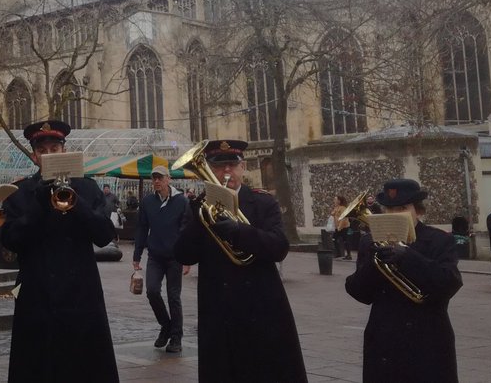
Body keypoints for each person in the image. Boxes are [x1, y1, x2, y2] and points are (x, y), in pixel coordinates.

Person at [173, 139, 307, 382]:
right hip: (218, 305)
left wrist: (239, 231)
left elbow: (279, 247)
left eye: (232, 165)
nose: (226, 172)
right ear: (209, 170)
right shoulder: (200, 207)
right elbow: (183, 254)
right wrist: (198, 220)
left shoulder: (263, 202)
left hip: (260, 303)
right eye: (218, 166)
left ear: (243, 167)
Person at [0, 120, 118, 382]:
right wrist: (39, 206)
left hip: (81, 294)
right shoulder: (20, 192)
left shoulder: (87, 187)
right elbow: (10, 240)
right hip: (38, 295)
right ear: (34, 157)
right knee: (38, 365)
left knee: (85, 367)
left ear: (64, 150)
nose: (50, 155)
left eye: (55, 149)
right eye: (43, 151)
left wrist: (77, 202)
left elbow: (104, 235)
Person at [345, 178, 463, 383]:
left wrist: (408, 257)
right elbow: (360, 293)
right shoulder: (369, 241)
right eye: (389, 209)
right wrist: (373, 263)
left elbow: (449, 283)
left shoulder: (439, 240)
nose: (394, 214)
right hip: (383, 341)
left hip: (427, 340)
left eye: (402, 208)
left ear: (418, 210)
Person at [133, 165, 190, 353]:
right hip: (155, 255)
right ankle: (166, 325)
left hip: (175, 257)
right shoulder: (148, 202)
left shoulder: (182, 201)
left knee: (174, 296)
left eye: (160, 178)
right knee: (152, 291)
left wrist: (187, 258)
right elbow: (142, 228)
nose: (156, 181)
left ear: (168, 179)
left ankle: (176, 337)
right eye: (154, 178)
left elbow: (186, 231)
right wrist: (137, 255)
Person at [331, 194, 351, 260]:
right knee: (334, 239)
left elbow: (344, 218)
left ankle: (349, 255)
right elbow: (333, 213)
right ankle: (338, 253)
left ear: (339, 201)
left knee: (346, 240)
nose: (334, 200)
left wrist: (340, 227)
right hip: (338, 227)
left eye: (335, 199)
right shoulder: (336, 207)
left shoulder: (343, 208)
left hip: (344, 227)